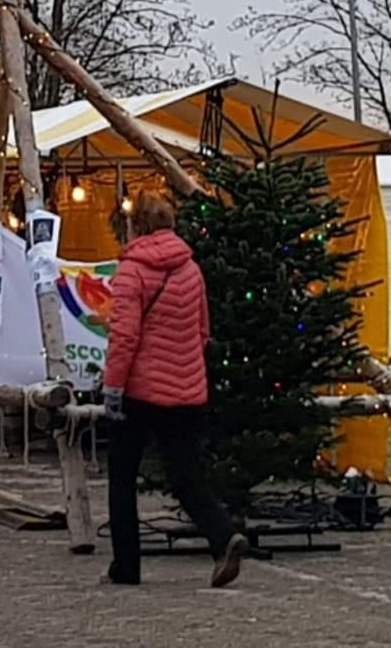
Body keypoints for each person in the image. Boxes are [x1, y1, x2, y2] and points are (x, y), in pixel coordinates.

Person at [103, 191, 247, 589]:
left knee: (122, 477)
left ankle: (126, 566)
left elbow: (125, 337)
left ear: (138, 227)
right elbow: (202, 332)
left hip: (139, 391)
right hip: (187, 390)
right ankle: (222, 535)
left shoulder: (132, 271)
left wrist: (113, 387)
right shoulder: (191, 269)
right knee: (186, 476)